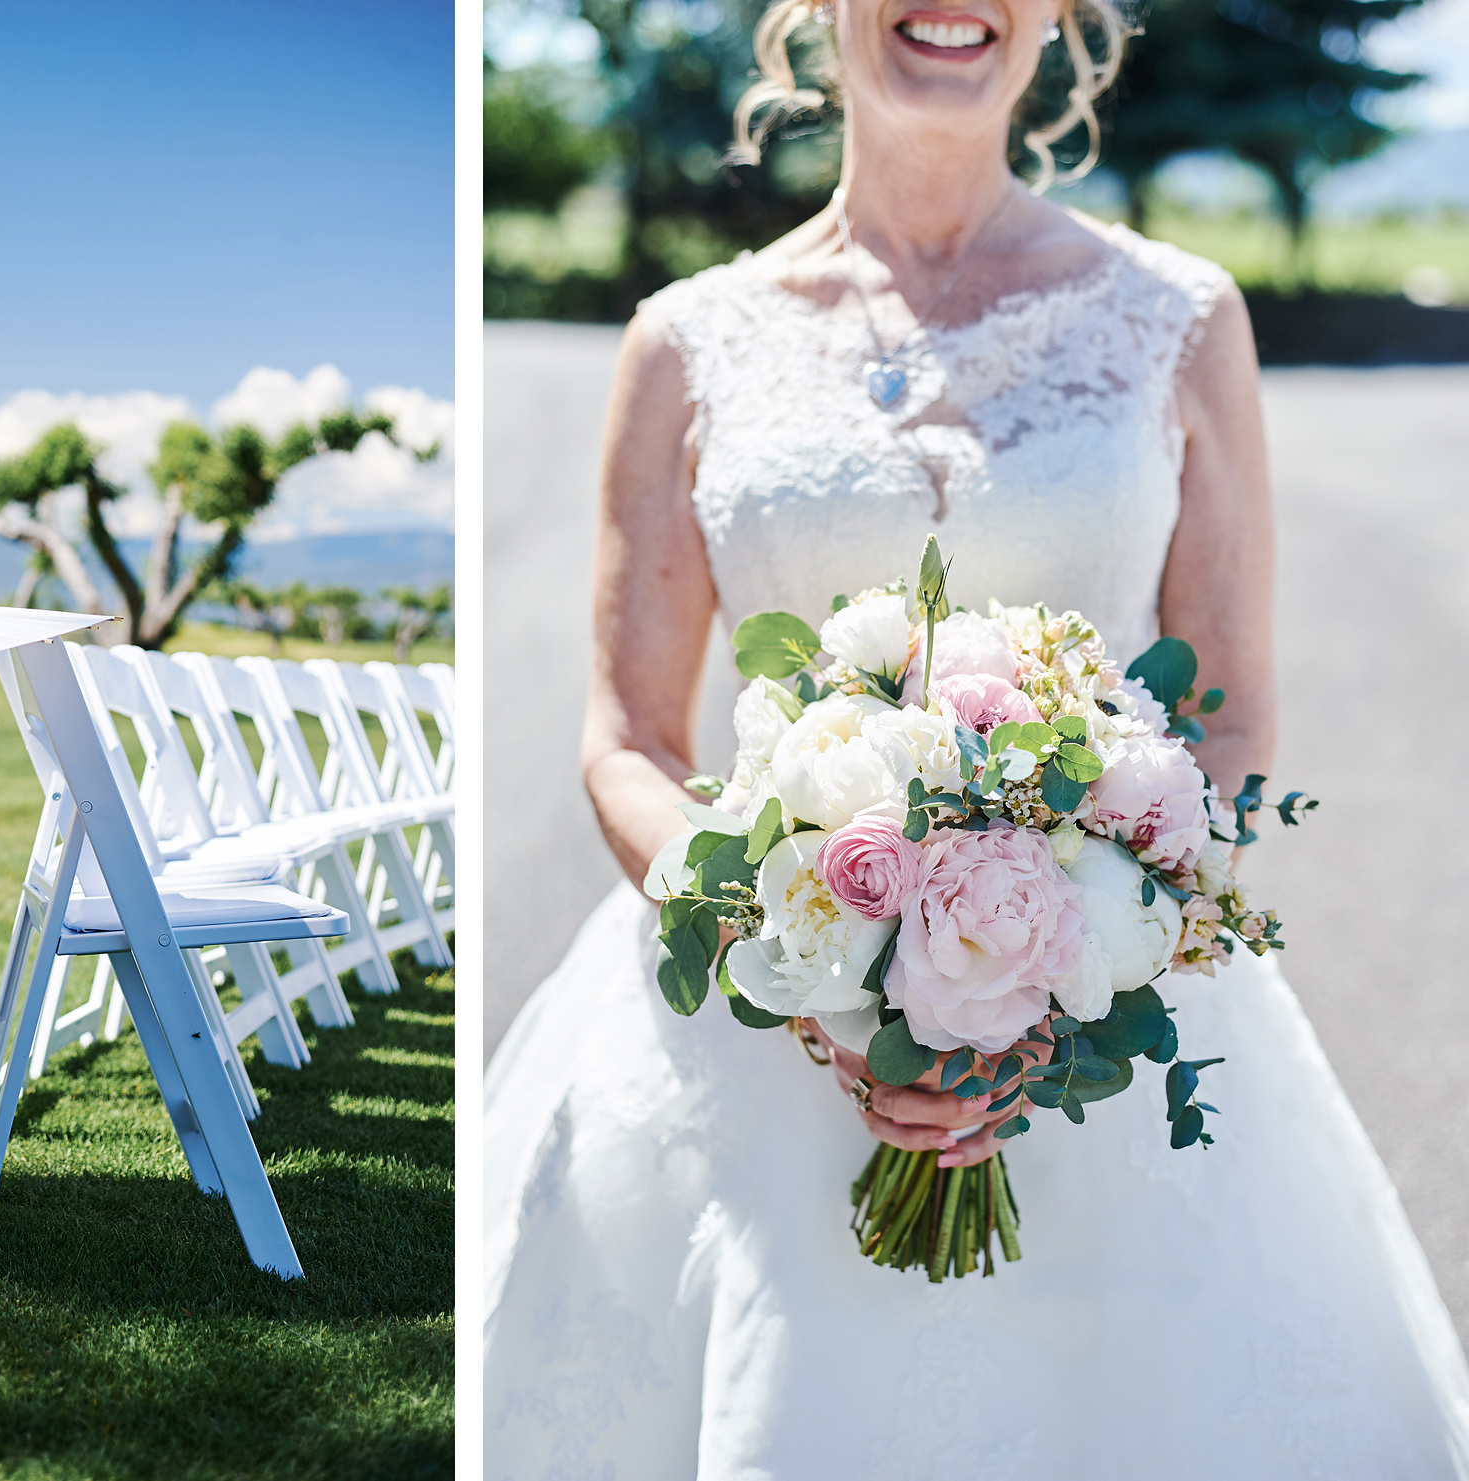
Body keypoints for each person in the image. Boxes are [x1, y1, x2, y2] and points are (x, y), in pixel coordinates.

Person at [482, 1, 1469, 1473]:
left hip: (1112, 1034)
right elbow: (627, 737)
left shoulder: (1179, 319)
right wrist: (799, 961)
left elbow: (1236, 712)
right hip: (753, 1029)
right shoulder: (687, 343)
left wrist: (1061, 970)